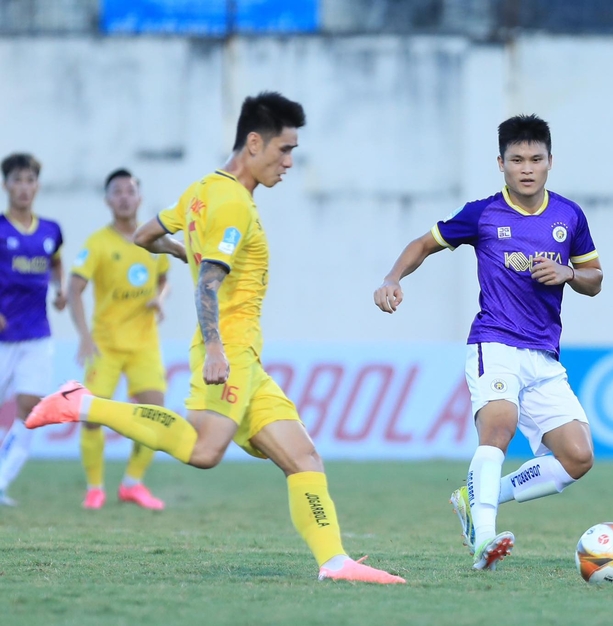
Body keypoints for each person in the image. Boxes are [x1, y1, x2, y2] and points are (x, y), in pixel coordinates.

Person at [27, 92, 405, 584]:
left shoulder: (203, 189)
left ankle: (335, 562)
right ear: (254, 142)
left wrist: (178, 249)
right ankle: (83, 403)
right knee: (205, 452)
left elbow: (142, 235)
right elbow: (209, 282)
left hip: (246, 355)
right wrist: (215, 348)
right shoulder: (232, 206)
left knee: (304, 456)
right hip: (229, 350)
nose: (289, 162)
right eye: (284, 149)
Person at [373, 115, 602, 571]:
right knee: (498, 428)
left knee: (578, 457)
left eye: (536, 158)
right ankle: (484, 535)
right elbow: (423, 244)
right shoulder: (482, 214)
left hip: (544, 356)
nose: (527, 168)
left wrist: (569, 273)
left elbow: (594, 279)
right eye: (517, 159)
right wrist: (392, 278)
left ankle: (476, 495)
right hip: (494, 343)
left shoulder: (569, 216)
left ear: (550, 162)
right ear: (501, 163)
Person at [67, 168, 171, 510]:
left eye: (130, 190)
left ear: (139, 197)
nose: (125, 196)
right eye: (117, 191)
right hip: (105, 345)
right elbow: (74, 288)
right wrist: (84, 336)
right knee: (92, 415)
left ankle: (132, 484)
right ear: (108, 200)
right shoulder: (97, 243)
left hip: (143, 343)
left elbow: (164, 278)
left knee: (155, 413)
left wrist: (162, 298)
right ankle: (95, 487)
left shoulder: (153, 240)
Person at [0, 153, 66, 506]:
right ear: (6, 184)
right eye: (17, 180)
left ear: (37, 185)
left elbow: (56, 263)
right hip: (2, 336)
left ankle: (2, 480)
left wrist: (60, 291)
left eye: (30, 180)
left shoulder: (50, 230)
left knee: (30, 407)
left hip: (37, 334)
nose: (24, 188)